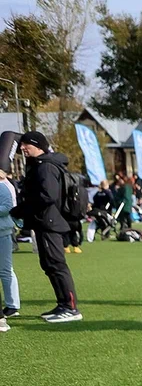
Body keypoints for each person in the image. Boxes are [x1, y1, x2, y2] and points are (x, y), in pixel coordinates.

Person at [12, 132, 80, 322]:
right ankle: (63, 304)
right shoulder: (40, 165)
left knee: (56, 265)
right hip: (45, 222)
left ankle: (70, 307)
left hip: (49, 223)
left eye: (26, 145)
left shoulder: (46, 167)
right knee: (49, 265)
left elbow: (47, 195)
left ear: (38, 145)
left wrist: (22, 209)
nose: (22, 148)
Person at [0, 166, 19, 323]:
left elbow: (7, 208)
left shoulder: (3, 187)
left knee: (5, 270)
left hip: (2, 233)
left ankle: (13, 305)